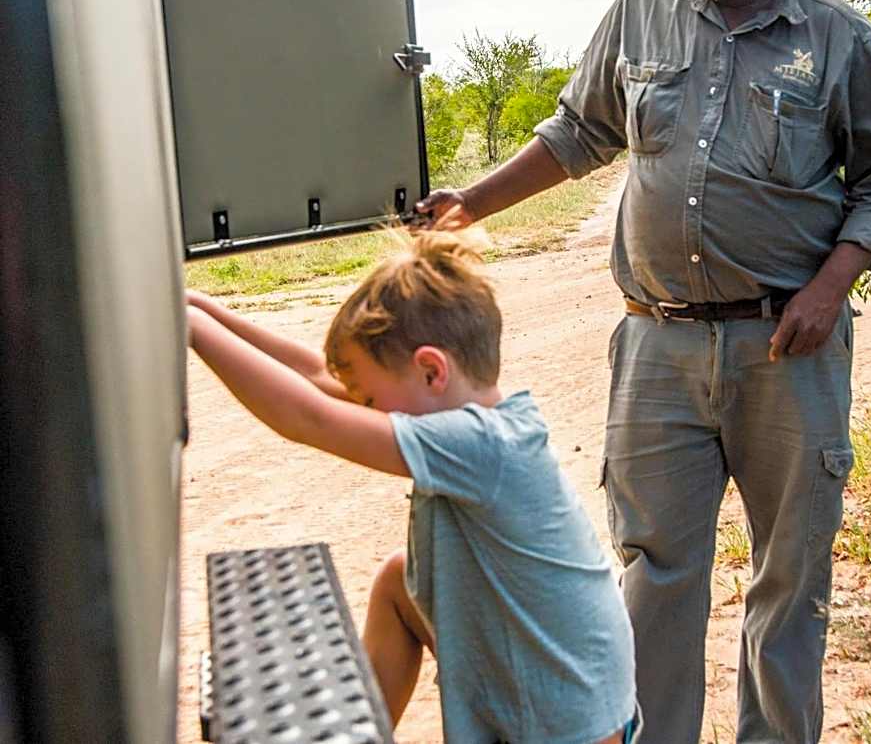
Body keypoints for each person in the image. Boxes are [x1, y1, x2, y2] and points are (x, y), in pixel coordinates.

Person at [415, 0, 871, 743]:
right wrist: (470, 203)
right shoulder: (639, 14)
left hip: (786, 348)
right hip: (656, 343)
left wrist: (830, 286)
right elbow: (576, 134)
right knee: (654, 573)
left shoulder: (838, 37)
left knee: (788, 577)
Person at [187, 230, 638, 744]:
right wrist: (204, 305)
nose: (364, 409)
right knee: (399, 584)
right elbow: (316, 376)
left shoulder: (481, 445)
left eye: (371, 400)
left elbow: (308, 418)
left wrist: (194, 329)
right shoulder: (481, 420)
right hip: (545, 677)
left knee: (401, 580)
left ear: (430, 370)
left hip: (567, 721)